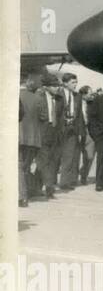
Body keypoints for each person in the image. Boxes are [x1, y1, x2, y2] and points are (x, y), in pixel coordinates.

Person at [17, 74, 43, 206]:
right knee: (25, 167)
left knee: (18, 167)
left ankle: (22, 195)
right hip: (32, 138)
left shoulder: (13, 95)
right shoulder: (37, 97)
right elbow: (43, 116)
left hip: (17, 137)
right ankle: (27, 194)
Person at [56, 72, 85, 189]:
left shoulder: (77, 96)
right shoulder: (58, 95)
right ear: (65, 83)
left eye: (76, 82)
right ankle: (48, 182)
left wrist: (81, 132)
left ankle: (65, 182)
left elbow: (80, 116)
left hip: (73, 129)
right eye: (73, 82)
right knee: (55, 157)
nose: (75, 84)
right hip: (59, 130)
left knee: (70, 157)